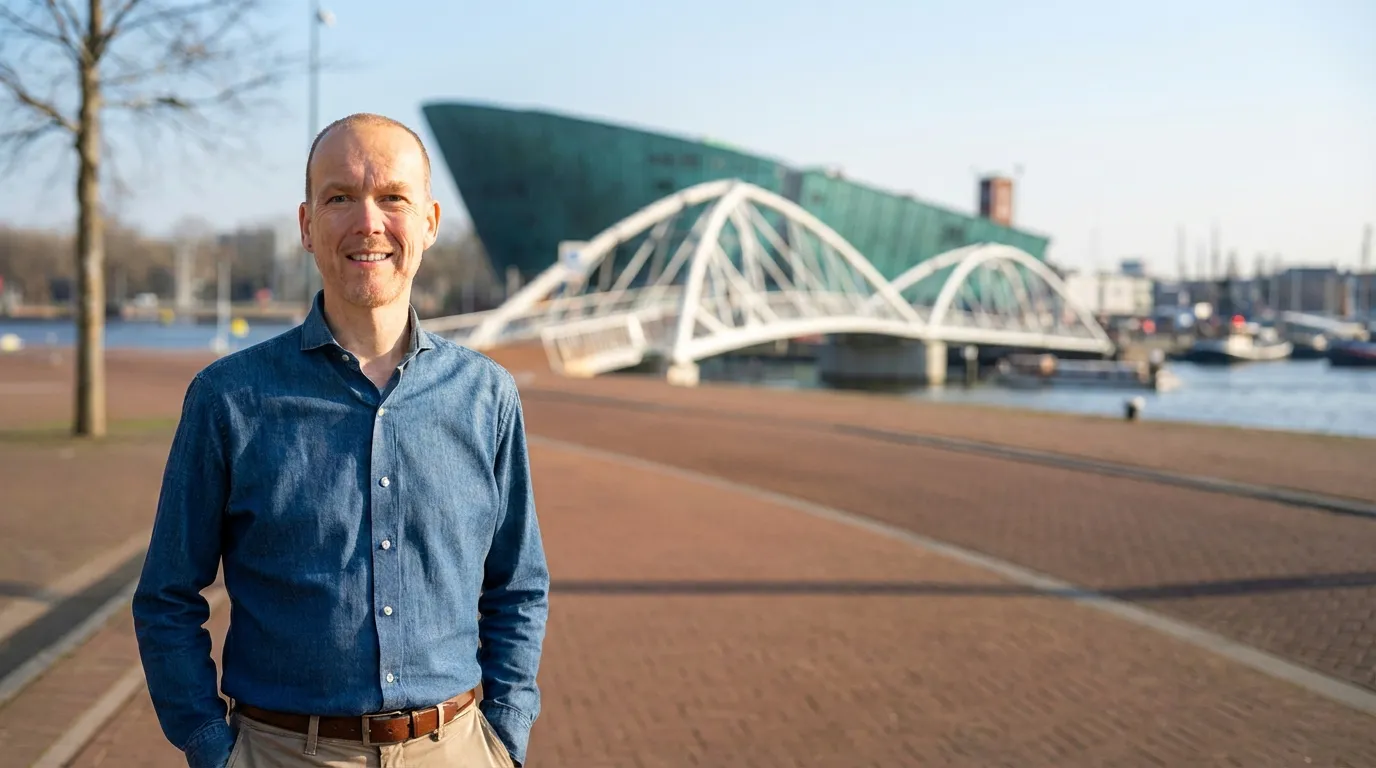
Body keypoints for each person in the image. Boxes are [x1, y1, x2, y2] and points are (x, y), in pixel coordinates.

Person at [133, 113, 549, 768]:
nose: (368, 222)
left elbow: (518, 585)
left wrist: (504, 735)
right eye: (339, 198)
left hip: (458, 748)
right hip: (281, 752)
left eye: (392, 197)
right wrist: (211, 748)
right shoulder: (229, 399)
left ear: (431, 222)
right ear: (305, 225)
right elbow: (165, 597)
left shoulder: (486, 397)